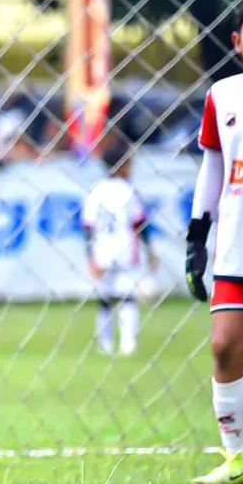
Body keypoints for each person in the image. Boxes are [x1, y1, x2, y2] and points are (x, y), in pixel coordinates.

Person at [187, 0, 243, 484]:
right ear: (238, 42)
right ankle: (237, 459)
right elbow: (212, 167)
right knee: (223, 348)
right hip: (239, 249)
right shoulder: (223, 96)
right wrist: (197, 237)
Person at [81, 139, 154, 357]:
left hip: (102, 250)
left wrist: (90, 257)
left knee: (104, 300)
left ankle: (105, 345)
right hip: (125, 249)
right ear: (121, 165)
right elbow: (140, 224)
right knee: (127, 297)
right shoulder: (128, 191)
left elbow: (88, 228)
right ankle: (127, 344)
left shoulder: (95, 191)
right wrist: (150, 250)